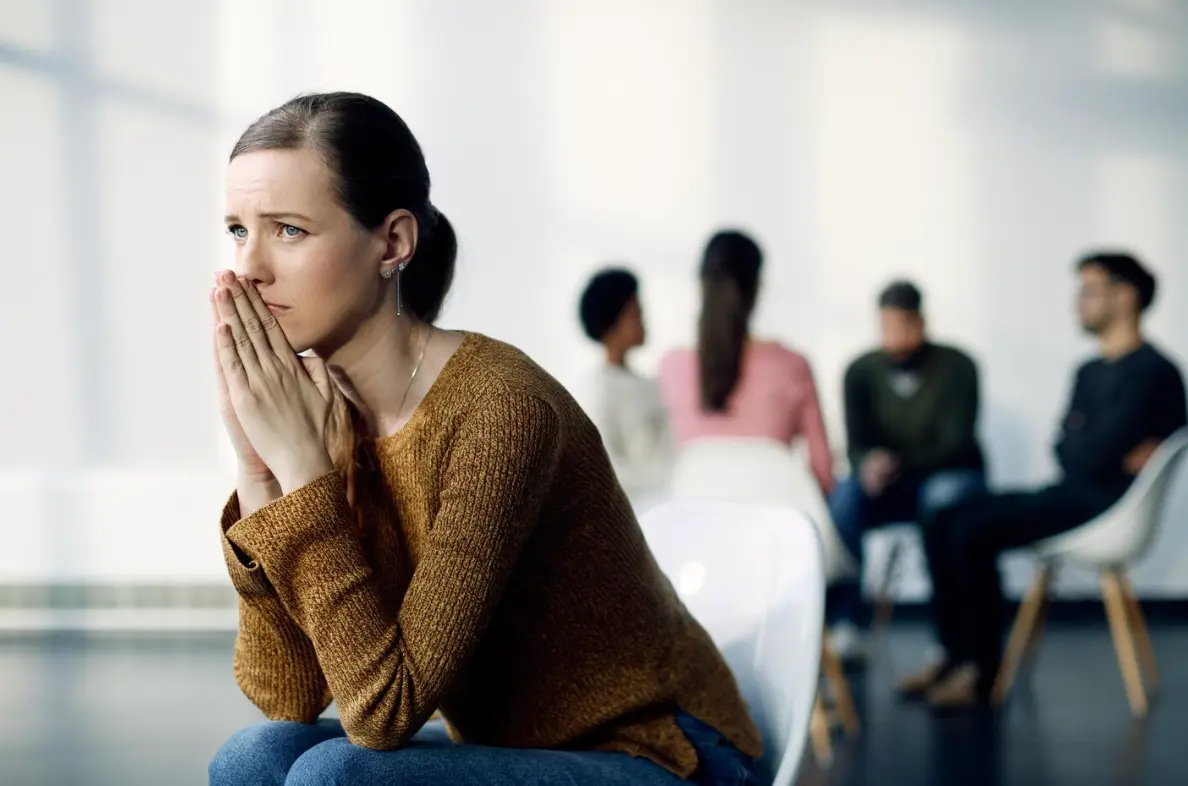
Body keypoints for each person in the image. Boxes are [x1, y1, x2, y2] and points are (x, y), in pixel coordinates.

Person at [206, 92, 762, 786]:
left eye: (289, 230)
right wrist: (260, 472)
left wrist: (303, 474)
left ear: (393, 243)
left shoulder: (500, 409)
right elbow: (286, 695)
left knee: (335, 777)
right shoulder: (323, 412)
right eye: (238, 230)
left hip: (663, 750)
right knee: (252, 758)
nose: (248, 268)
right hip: (522, 746)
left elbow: (383, 713)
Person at [902, 252, 1187, 709]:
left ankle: (979, 669)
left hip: (1107, 508)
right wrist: (1097, 446)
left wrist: (1088, 443)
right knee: (943, 515)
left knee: (969, 529)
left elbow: (1090, 454)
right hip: (1073, 492)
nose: (1077, 303)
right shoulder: (1089, 370)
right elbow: (1071, 451)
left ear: (1126, 296)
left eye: (1089, 292)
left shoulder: (1155, 372)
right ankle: (951, 655)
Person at [827, 281, 987, 658]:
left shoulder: (957, 367)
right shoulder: (860, 371)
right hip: (889, 485)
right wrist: (868, 464)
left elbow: (956, 444)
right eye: (886, 326)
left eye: (902, 326)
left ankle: (951, 636)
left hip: (948, 476)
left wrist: (897, 463)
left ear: (920, 322)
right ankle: (847, 622)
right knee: (844, 497)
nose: (894, 337)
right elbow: (856, 444)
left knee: (941, 500)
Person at [658, 230, 834, 496]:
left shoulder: (670, 367)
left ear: (701, 285)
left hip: (690, 519)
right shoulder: (792, 366)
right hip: (777, 518)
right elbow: (823, 472)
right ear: (759, 287)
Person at [576, 268, 673, 509]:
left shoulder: (653, 384)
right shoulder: (599, 390)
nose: (643, 320)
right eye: (635, 313)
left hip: (668, 500)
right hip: (636, 510)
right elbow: (606, 467)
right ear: (612, 323)